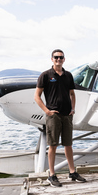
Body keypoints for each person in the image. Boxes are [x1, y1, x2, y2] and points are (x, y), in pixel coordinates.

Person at [34, 49, 86, 187]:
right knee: (53, 145)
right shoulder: (45, 75)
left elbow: (72, 94)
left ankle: (72, 172)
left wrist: (73, 109)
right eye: (56, 57)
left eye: (61, 57)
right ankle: (51, 175)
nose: (58, 59)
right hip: (54, 116)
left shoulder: (68, 75)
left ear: (64, 59)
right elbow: (37, 96)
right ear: (52, 59)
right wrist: (47, 111)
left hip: (67, 115)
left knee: (68, 144)